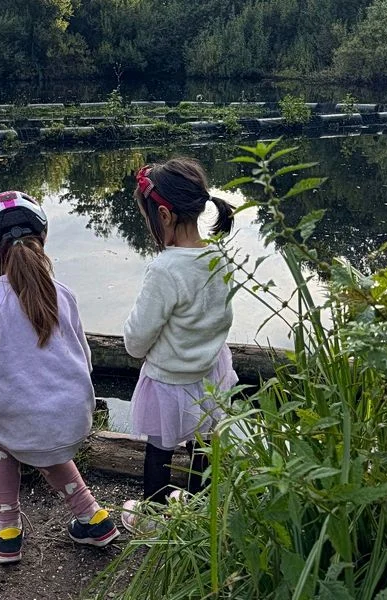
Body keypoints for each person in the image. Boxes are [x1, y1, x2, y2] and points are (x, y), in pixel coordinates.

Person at [0, 191, 119, 564]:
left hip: (26, 424)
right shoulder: (63, 293)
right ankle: (94, 519)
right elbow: (86, 356)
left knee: (4, 443)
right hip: (73, 418)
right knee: (44, 443)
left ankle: (8, 532)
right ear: (42, 240)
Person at [121, 158, 238, 532]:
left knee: (160, 447)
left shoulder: (165, 270)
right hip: (210, 372)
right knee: (203, 442)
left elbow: (137, 340)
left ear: (165, 215)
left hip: (170, 379)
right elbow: (222, 317)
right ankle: (202, 510)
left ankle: (153, 517)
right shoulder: (219, 258)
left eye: (149, 219)